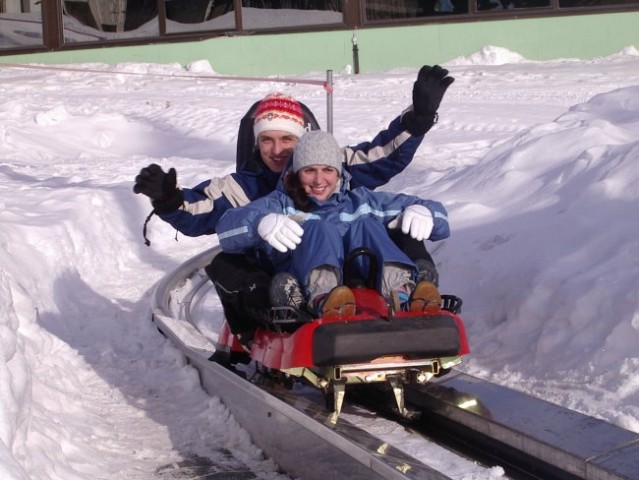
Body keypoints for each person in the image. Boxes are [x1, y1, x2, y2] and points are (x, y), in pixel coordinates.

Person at [134, 65, 454, 337]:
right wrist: (169, 199)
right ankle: (272, 325)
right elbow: (202, 213)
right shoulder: (244, 187)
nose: (278, 150)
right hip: (287, 267)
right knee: (225, 264)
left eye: (287, 139)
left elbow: (383, 155)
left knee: (390, 226)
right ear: (255, 143)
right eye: (267, 140)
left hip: (356, 258)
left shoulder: (333, 167)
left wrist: (418, 121)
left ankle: (410, 289)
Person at [216, 131, 450, 329]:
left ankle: (404, 294)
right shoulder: (280, 204)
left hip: (366, 281)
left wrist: (427, 213)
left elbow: (438, 217)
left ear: (338, 172)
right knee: (318, 228)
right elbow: (226, 230)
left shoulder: (360, 201)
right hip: (304, 283)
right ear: (297, 172)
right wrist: (259, 223)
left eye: (327, 169)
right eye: (309, 170)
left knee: (367, 224)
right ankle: (325, 299)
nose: (319, 180)